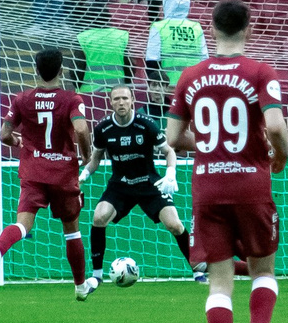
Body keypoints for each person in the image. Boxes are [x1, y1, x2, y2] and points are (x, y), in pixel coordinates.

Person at [165, 0, 288, 323]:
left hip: (207, 187)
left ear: (212, 29)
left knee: (219, 282)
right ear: (248, 28)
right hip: (251, 185)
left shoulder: (189, 76)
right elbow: (276, 128)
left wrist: (208, 146)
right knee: (263, 271)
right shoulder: (259, 72)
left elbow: (171, 138)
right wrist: (279, 158)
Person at [0, 48, 93, 295]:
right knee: (72, 230)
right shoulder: (71, 99)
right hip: (63, 173)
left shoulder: (22, 99)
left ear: (36, 70)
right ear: (62, 70)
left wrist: (17, 142)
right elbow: (82, 130)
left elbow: (3, 135)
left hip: (33, 171)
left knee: (22, 225)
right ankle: (80, 287)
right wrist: (86, 155)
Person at [83, 83, 200, 286]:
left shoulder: (146, 124)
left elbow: (169, 152)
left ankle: (197, 269)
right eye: (117, 99)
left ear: (132, 101)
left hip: (148, 183)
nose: (121, 102)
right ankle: (97, 275)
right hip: (120, 185)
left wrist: (171, 173)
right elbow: (95, 159)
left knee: (174, 224)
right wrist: (83, 174)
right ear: (110, 102)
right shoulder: (103, 128)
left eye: (125, 98)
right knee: (99, 217)